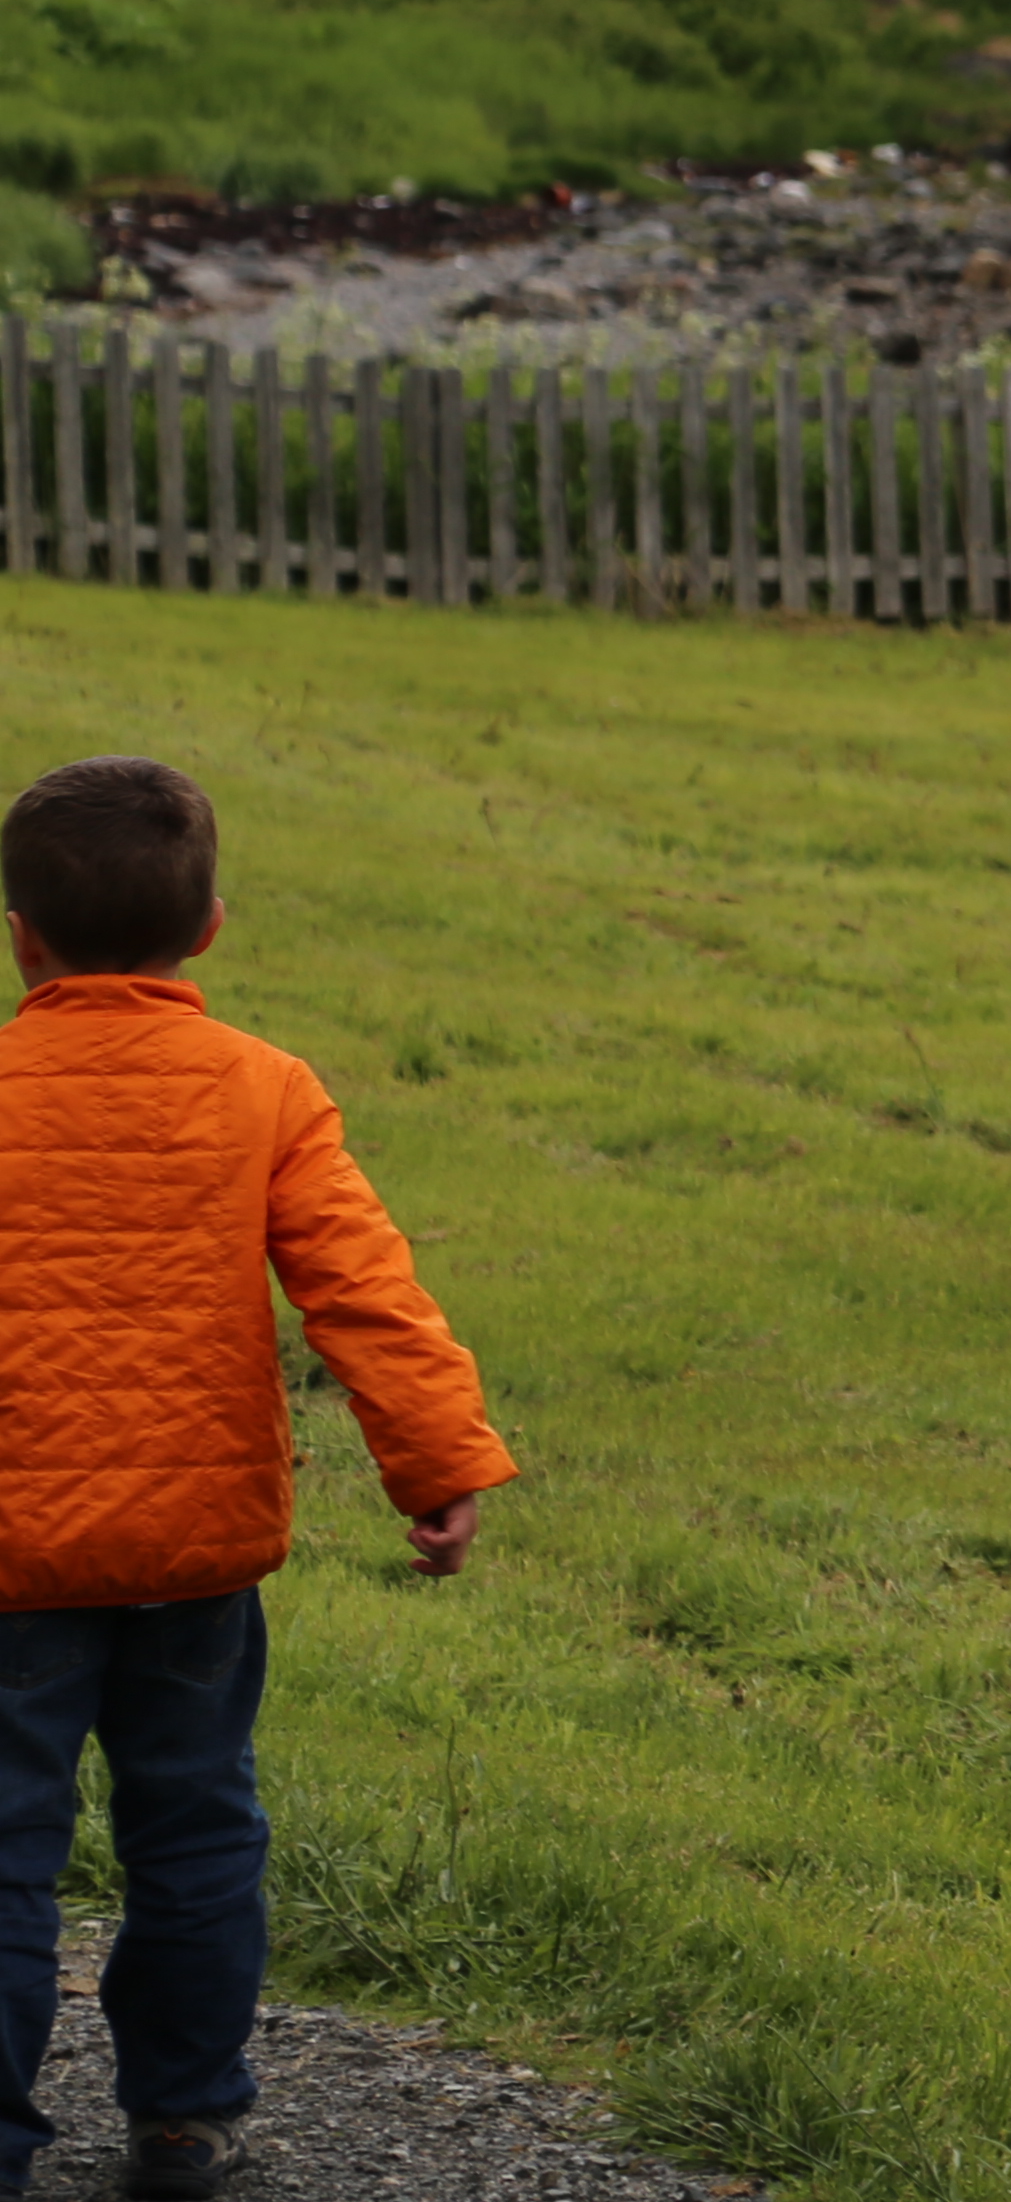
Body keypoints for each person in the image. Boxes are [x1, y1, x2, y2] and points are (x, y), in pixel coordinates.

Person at [0, 759, 513, 2201]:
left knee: (4, 1854)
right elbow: (366, 1293)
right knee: (197, 1824)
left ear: (20, 933)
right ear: (211, 926)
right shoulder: (264, 1091)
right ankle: (183, 2117)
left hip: (12, 1553)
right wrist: (439, 1458)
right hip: (195, 1547)